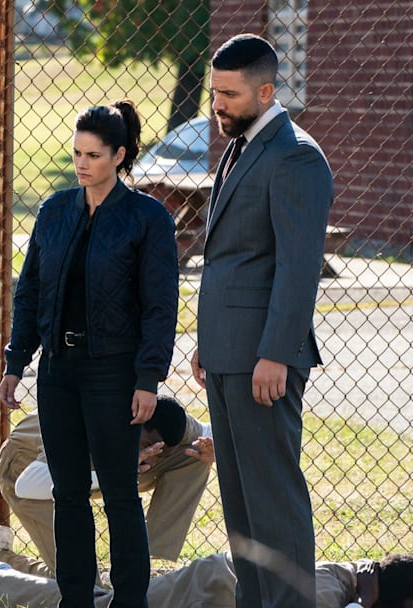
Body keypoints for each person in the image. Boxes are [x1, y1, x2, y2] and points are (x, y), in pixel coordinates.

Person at [0, 99, 179, 607]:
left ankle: (130, 602)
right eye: (77, 153)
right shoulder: (57, 210)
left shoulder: (147, 219)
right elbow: (30, 289)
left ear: (119, 156)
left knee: (120, 495)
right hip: (58, 372)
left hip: (114, 374)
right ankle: (74, 598)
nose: (81, 164)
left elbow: (160, 306)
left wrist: (147, 379)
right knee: (68, 493)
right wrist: (17, 363)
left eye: (94, 155)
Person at [191, 34, 334, 608]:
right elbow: (233, 257)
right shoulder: (241, 145)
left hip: (264, 362)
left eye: (229, 93)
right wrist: (208, 342)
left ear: (267, 90)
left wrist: (275, 351)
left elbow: (298, 269)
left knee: (273, 500)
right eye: (214, 92)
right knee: (242, 503)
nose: (217, 104)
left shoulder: (295, 154)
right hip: (228, 355)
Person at [0, 396, 214, 577]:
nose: (155, 455)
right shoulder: (86, 422)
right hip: (29, 468)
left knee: (196, 453)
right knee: (81, 582)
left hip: (98, 468)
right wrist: (119, 472)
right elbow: (27, 485)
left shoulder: (172, 424)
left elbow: (211, 432)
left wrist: (216, 452)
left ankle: (146, 558)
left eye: (161, 450)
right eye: (149, 446)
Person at [0, 547, 413, 608]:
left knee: (99, 593)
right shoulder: (329, 594)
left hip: (209, 583)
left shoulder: (350, 575)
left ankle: (3, 563)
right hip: (200, 590)